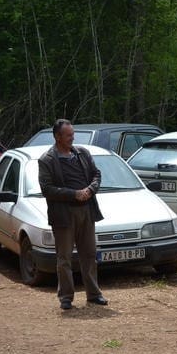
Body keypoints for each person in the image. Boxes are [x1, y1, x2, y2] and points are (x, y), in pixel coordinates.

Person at [37, 119, 107, 311]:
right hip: (63, 214)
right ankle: (66, 298)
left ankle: (94, 294)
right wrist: (74, 194)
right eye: (68, 135)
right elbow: (47, 189)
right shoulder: (46, 159)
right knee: (64, 258)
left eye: (72, 134)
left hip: (86, 211)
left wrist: (90, 190)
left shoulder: (82, 153)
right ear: (57, 137)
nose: (72, 138)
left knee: (89, 254)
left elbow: (96, 174)